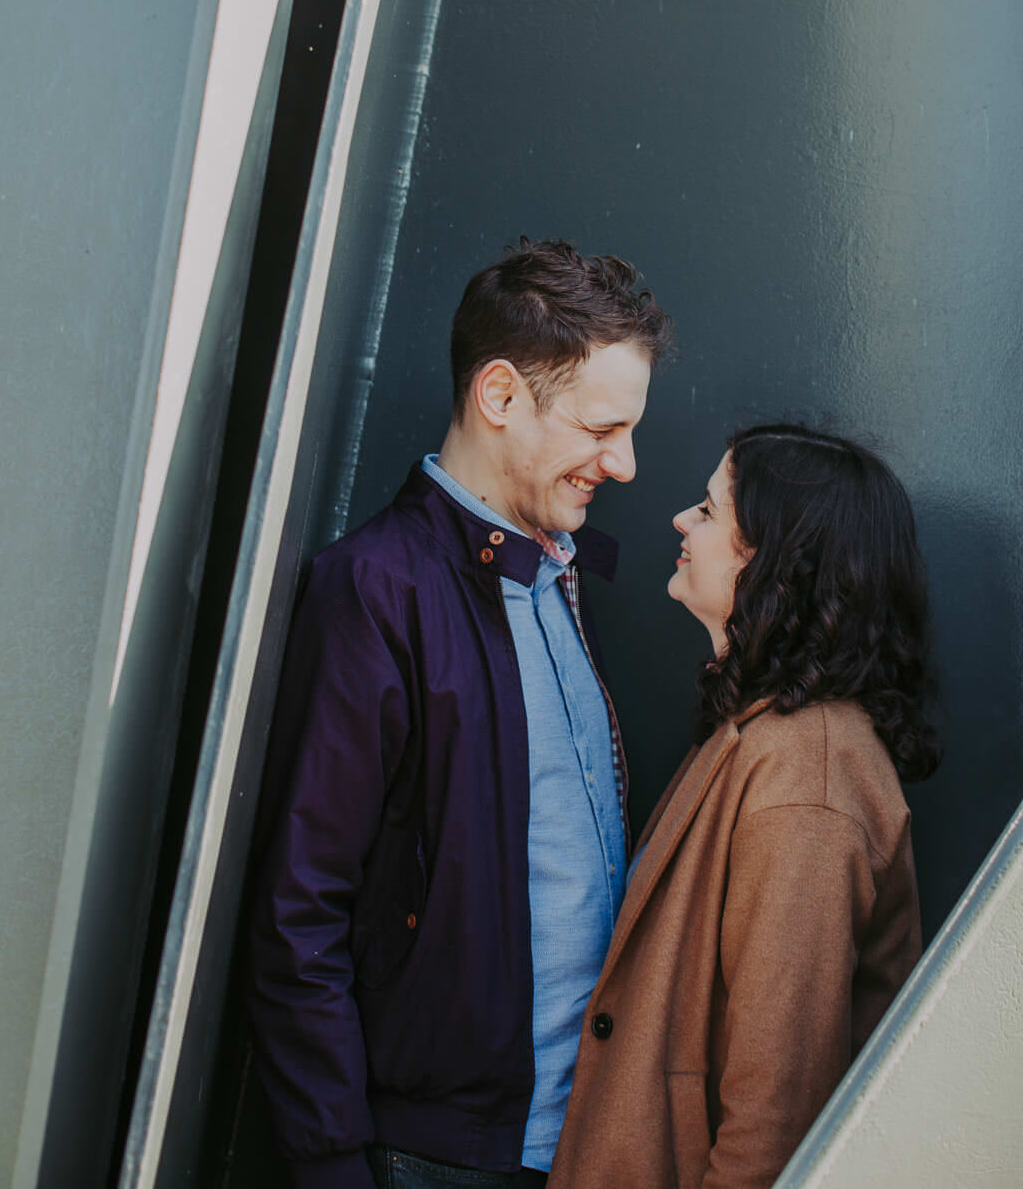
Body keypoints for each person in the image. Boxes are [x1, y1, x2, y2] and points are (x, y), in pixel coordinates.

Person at [248, 239, 674, 1189]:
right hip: (434, 1159)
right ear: (499, 397)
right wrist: (330, 1165)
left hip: (577, 1142)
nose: (628, 465)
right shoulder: (373, 589)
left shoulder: (560, 575)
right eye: (602, 428)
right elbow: (297, 913)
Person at [547, 424, 941, 1189]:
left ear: (774, 559)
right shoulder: (765, 731)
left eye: (707, 509)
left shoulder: (808, 781)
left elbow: (776, 1120)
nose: (680, 522)